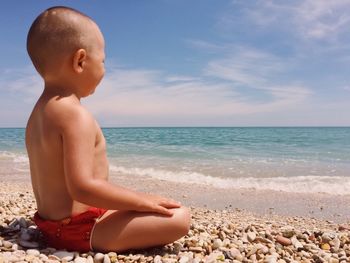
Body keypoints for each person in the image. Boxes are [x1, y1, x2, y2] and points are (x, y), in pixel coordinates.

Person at [25, 6, 191, 253]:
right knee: (180, 217)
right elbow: (82, 187)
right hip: (77, 230)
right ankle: (97, 237)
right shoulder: (74, 115)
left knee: (152, 206)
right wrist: (140, 199)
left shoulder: (37, 115)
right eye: (102, 61)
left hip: (51, 226)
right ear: (80, 61)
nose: (104, 69)